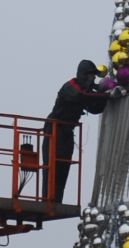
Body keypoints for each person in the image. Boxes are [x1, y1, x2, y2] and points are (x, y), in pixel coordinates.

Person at [42, 60, 109, 202]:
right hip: (55, 130)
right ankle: (47, 200)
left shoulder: (86, 92)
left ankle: (56, 201)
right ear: (84, 75)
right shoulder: (71, 86)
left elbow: (95, 109)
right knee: (52, 168)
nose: (93, 79)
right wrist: (106, 95)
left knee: (63, 168)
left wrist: (106, 96)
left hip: (67, 133)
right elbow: (80, 96)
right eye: (91, 76)